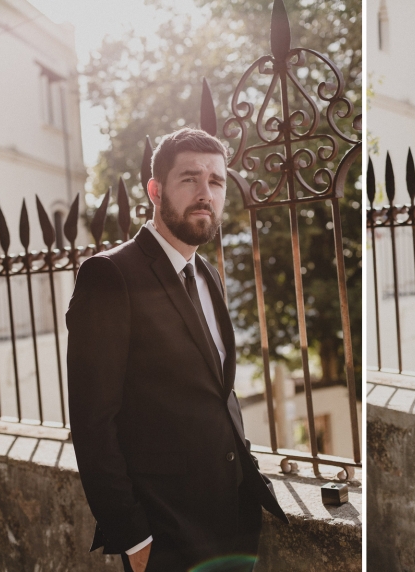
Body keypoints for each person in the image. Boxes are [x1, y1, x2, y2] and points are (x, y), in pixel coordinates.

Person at [67, 128, 288, 572]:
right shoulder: (109, 275)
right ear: (155, 191)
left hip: (234, 520)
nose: (206, 193)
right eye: (190, 178)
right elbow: (92, 422)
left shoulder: (207, 274)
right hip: (164, 533)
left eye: (216, 181)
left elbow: (216, 391)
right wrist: (133, 537)